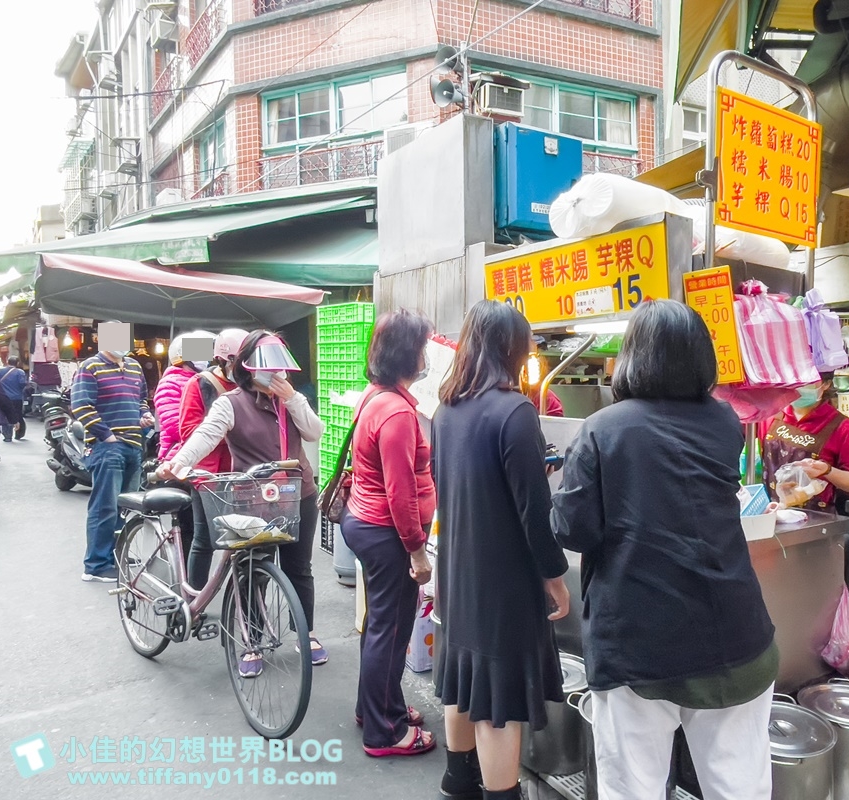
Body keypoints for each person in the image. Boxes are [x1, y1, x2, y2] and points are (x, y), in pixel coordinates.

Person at [552, 300, 776, 800]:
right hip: (735, 634)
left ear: (632, 357)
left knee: (633, 789)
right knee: (739, 788)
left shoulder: (603, 429)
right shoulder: (723, 422)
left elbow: (572, 531)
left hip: (637, 642)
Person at [431, 300, 570, 800]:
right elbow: (535, 512)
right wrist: (555, 577)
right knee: (498, 701)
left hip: (457, 568)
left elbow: (450, 482)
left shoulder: (445, 410)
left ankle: (457, 778)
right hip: (501, 580)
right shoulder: (515, 412)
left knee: (463, 676)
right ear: (511, 349)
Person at [157, 331, 328, 673]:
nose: (275, 374)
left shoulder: (290, 399)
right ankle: (252, 641)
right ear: (247, 367)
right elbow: (204, 436)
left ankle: (305, 633)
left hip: (299, 494)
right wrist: (178, 462)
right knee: (252, 571)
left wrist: (293, 399)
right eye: (267, 367)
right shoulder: (230, 403)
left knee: (299, 568)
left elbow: (314, 432)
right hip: (253, 500)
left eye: (280, 367)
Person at [339, 310, 437, 758]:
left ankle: (378, 707)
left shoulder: (377, 397)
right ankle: (384, 732)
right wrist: (417, 552)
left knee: (381, 625)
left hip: (367, 523)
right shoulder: (395, 412)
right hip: (387, 533)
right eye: (423, 346)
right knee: (390, 629)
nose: (426, 355)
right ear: (407, 353)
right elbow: (400, 493)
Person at [72, 339, 152, 582]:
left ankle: (116, 555)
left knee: (125, 507)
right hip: (107, 448)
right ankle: (95, 565)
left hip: (133, 445)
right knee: (104, 508)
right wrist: (107, 436)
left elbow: (141, 399)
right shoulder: (90, 367)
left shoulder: (134, 366)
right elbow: (81, 406)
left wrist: (144, 415)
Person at [177, 328, 247, 589]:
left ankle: (242, 600)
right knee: (204, 540)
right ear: (223, 360)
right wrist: (229, 430)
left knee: (246, 539)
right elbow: (187, 431)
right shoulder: (198, 384)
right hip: (209, 475)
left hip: (244, 474)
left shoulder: (250, 385)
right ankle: (194, 600)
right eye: (238, 362)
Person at [761, 372, 849, 511]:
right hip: (770, 512)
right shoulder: (769, 415)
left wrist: (827, 471)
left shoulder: (844, 427)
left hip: (816, 518)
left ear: (826, 384)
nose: (799, 386)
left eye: (808, 382)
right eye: (794, 379)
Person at [153, 331, 212, 461]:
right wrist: (212, 435)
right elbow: (175, 426)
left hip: (203, 454)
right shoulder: (169, 383)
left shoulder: (206, 381)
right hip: (177, 456)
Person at [0, 357, 28, 443]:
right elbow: (22, 383)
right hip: (16, 397)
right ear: (17, 363)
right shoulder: (20, 372)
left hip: (2, 397)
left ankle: (7, 435)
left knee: (5, 415)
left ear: (7, 362)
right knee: (18, 414)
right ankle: (19, 434)